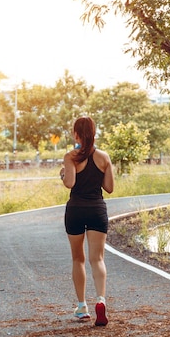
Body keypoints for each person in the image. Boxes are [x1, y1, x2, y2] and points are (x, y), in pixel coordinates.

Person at [60, 117, 114, 326]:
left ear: (76, 134)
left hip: (75, 210)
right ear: (94, 133)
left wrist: (64, 174)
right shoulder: (103, 157)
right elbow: (109, 187)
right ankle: (101, 299)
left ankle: (82, 307)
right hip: (97, 209)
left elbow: (70, 182)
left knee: (78, 259)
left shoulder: (70, 156)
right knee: (97, 259)